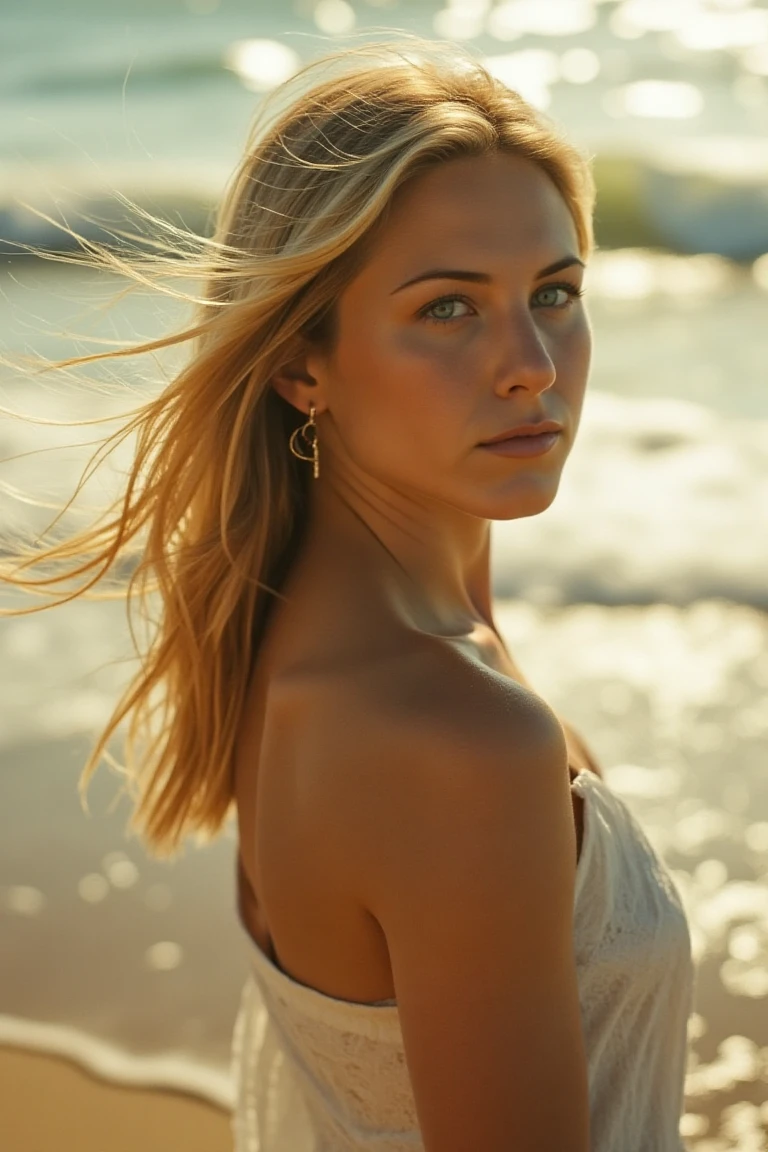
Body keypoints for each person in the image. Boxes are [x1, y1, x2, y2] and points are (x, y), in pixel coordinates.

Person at [1, 38, 694, 1152]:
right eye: (448, 310)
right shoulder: (453, 736)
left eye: (555, 292)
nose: (535, 363)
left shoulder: (295, 626)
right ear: (300, 364)